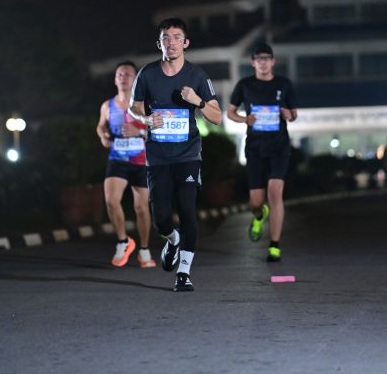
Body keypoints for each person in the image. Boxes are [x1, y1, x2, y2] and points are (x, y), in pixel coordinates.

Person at [129, 18, 222, 292]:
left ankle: (184, 272)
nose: (171, 43)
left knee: (187, 210)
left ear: (186, 43)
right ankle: (172, 239)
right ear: (159, 43)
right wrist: (146, 119)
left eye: (177, 37)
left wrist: (198, 101)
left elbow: (216, 117)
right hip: (158, 155)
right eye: (166, 38)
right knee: (161, 219)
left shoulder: (197, 76)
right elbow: (134, 107)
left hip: (188, 154)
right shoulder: (147, 74)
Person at [226, 42, 298, 262]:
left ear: (273, 61)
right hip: (255, 148)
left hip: (279, 147)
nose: (263, 62)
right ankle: (259, 216)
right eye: (259, 59)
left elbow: (294, 114)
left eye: (267, 58)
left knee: (275, 192)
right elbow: (230, 112)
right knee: (255, 203)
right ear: (253, 63)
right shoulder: (244, 85)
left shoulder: (284, 84)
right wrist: (244, 119)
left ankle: (274, 245)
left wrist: (289, 114)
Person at [97, 61, 156, 269]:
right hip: (118, 158)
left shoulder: (144, 104)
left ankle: (145, 249)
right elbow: (100, 125)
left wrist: (138, 131)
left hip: (141, 160)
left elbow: (158, 129)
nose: (123, 77)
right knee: (111, 201)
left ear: (135, 79)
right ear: (115, 80)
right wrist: (103, 135)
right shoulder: (107, 105)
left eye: (127, 74)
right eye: (119, 74)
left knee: (141, 208)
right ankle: (123, 241)